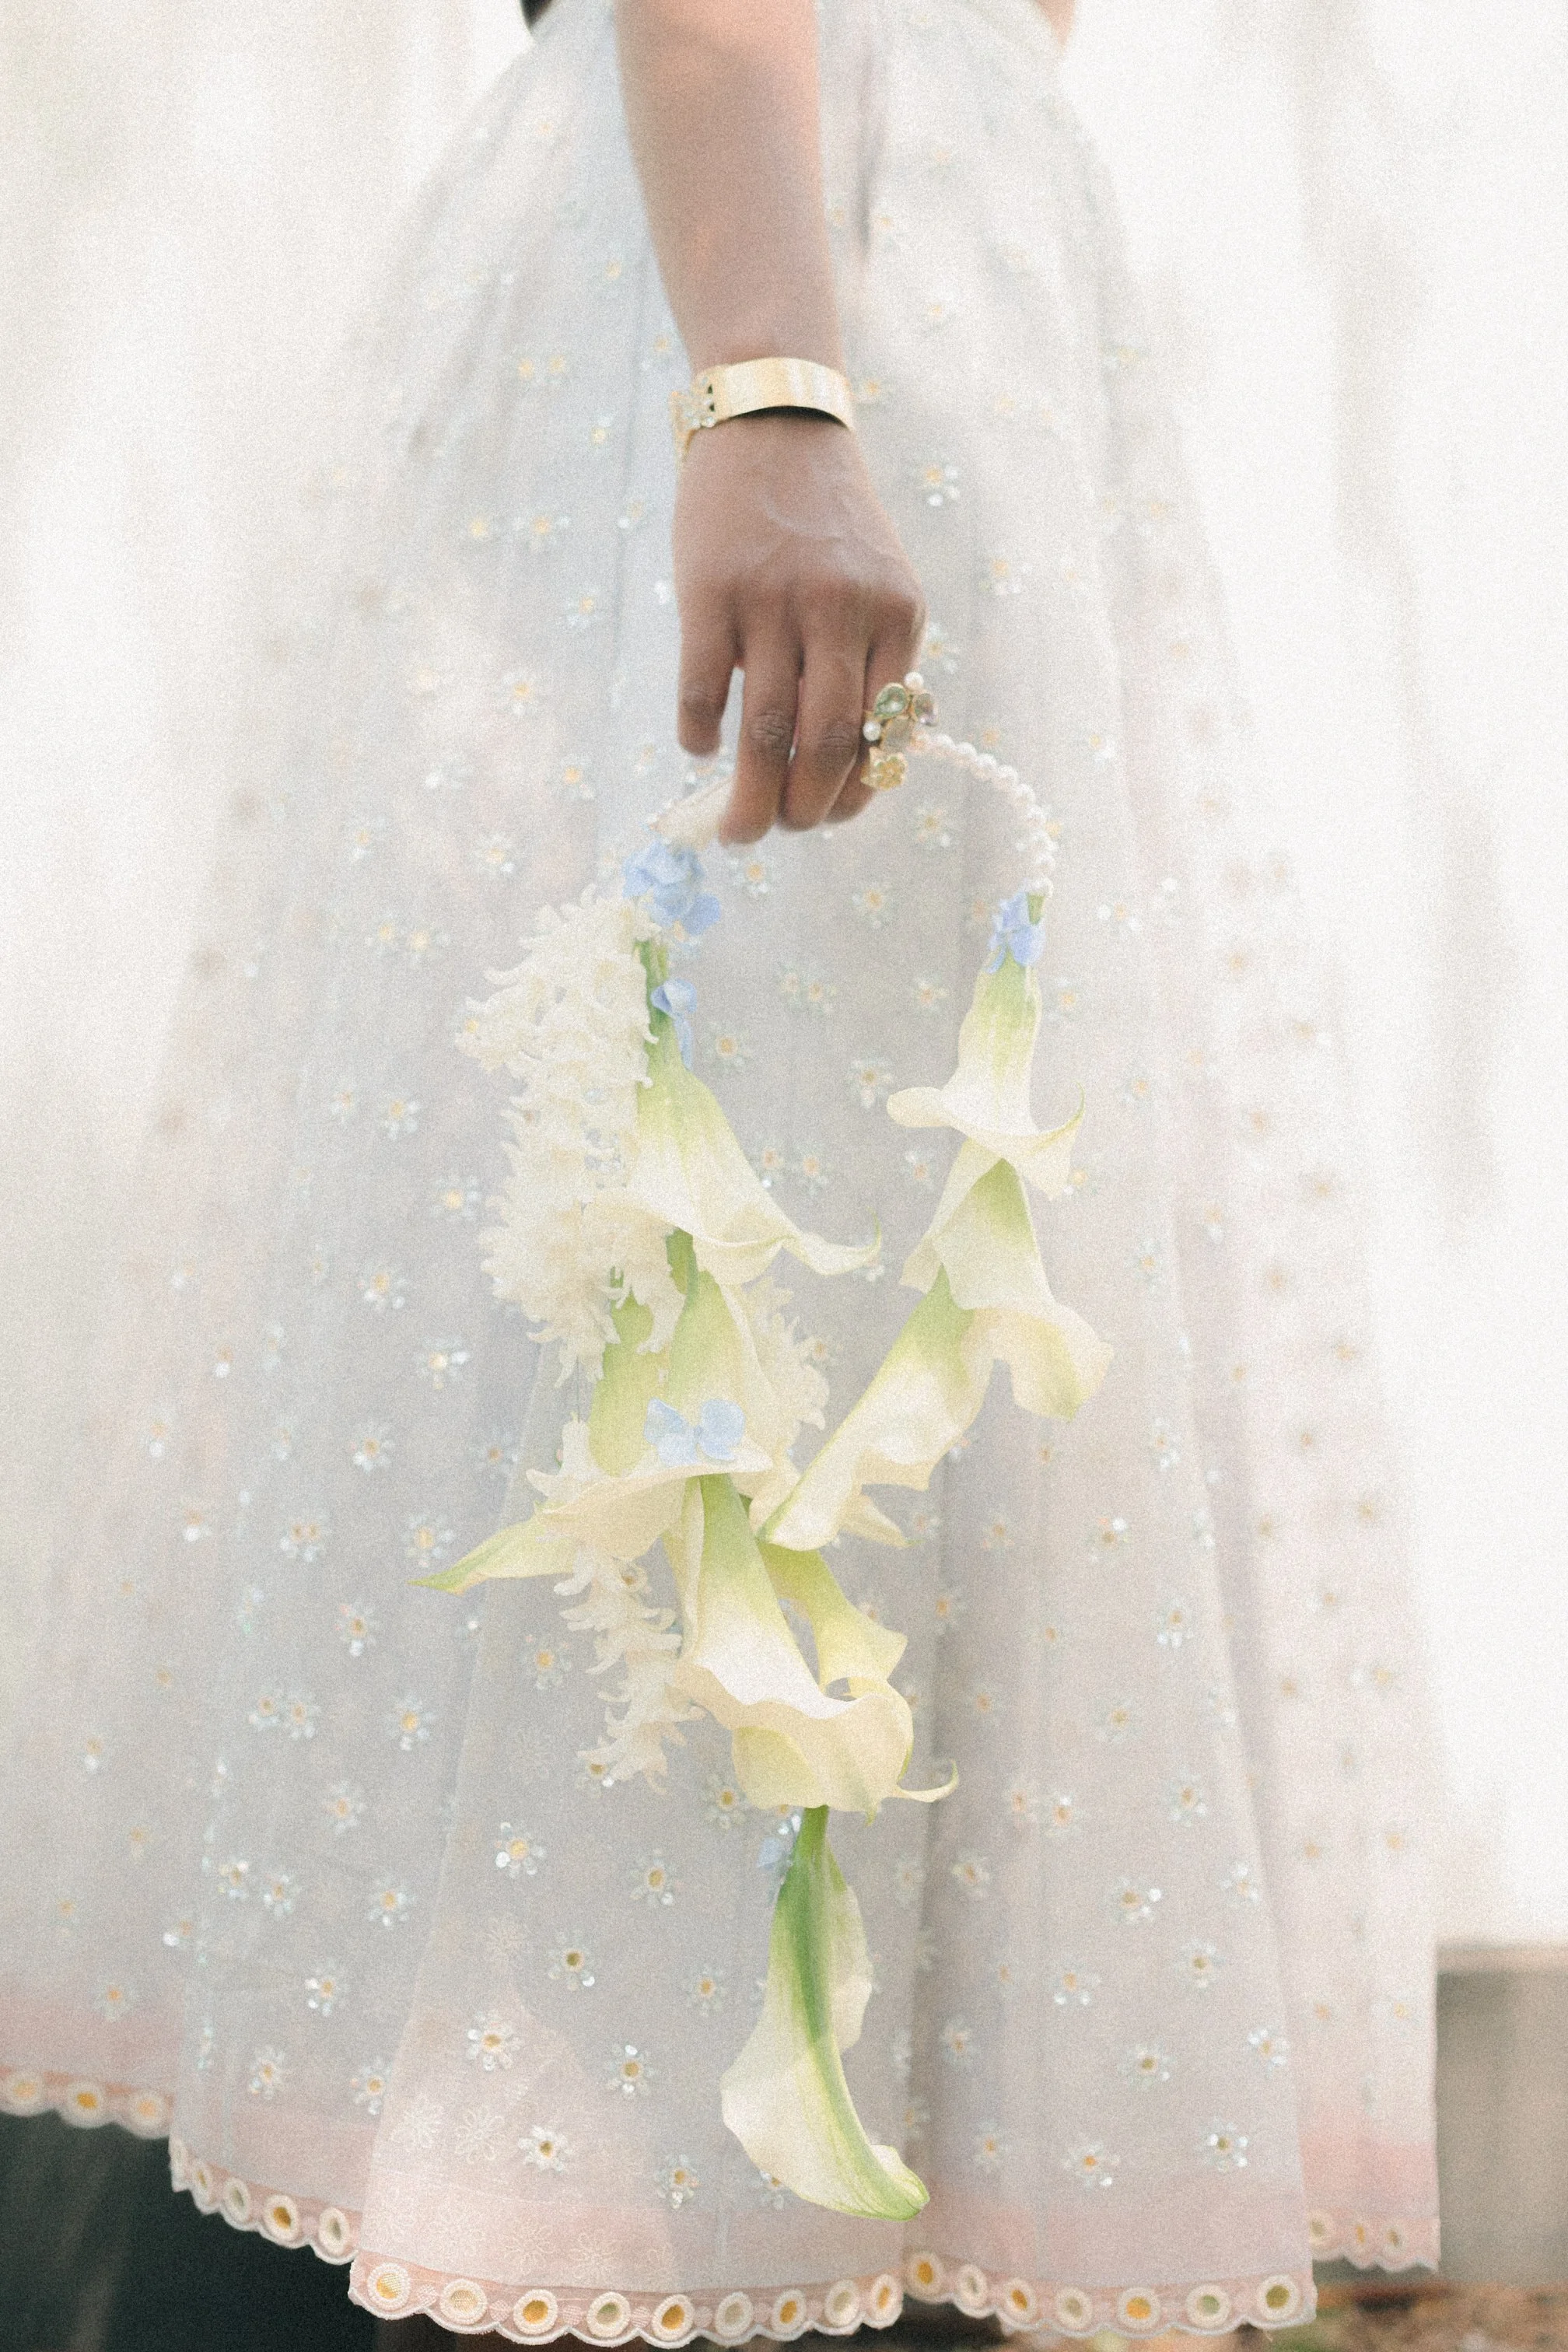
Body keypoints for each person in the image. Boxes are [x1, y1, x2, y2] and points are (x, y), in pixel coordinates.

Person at [0, 0, 1439, 2340]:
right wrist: (769, 385)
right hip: (756, 279)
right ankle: (585, 2216)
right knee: (664, 1292)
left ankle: (784, 2217)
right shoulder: (770, 338)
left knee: (863, 1341)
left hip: (896, 266)